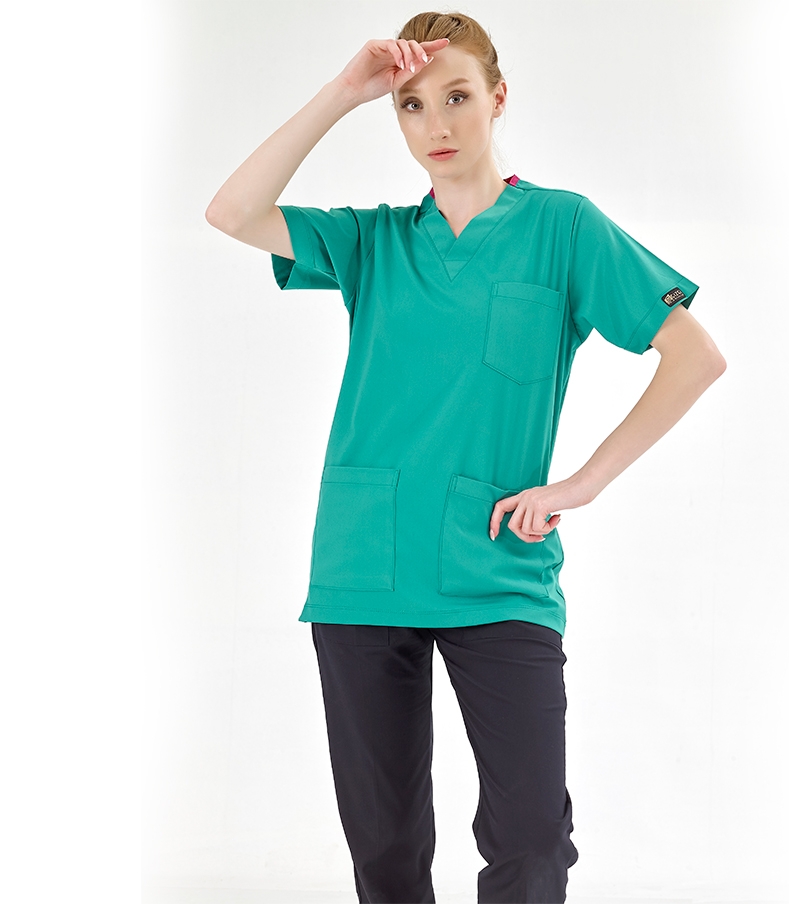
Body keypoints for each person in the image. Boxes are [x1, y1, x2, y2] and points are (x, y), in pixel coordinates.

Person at [206, 10, 725, 903]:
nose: (436, 125)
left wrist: (581, 484)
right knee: (385, 853)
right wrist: (343, 92)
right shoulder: (371, 243)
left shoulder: (563, 229)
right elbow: (231, 212)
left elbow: (695, 356)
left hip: (500, 571)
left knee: (532, 843)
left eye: (456, 97)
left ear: (498, 98)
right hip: (365, 571)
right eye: (410, 106)